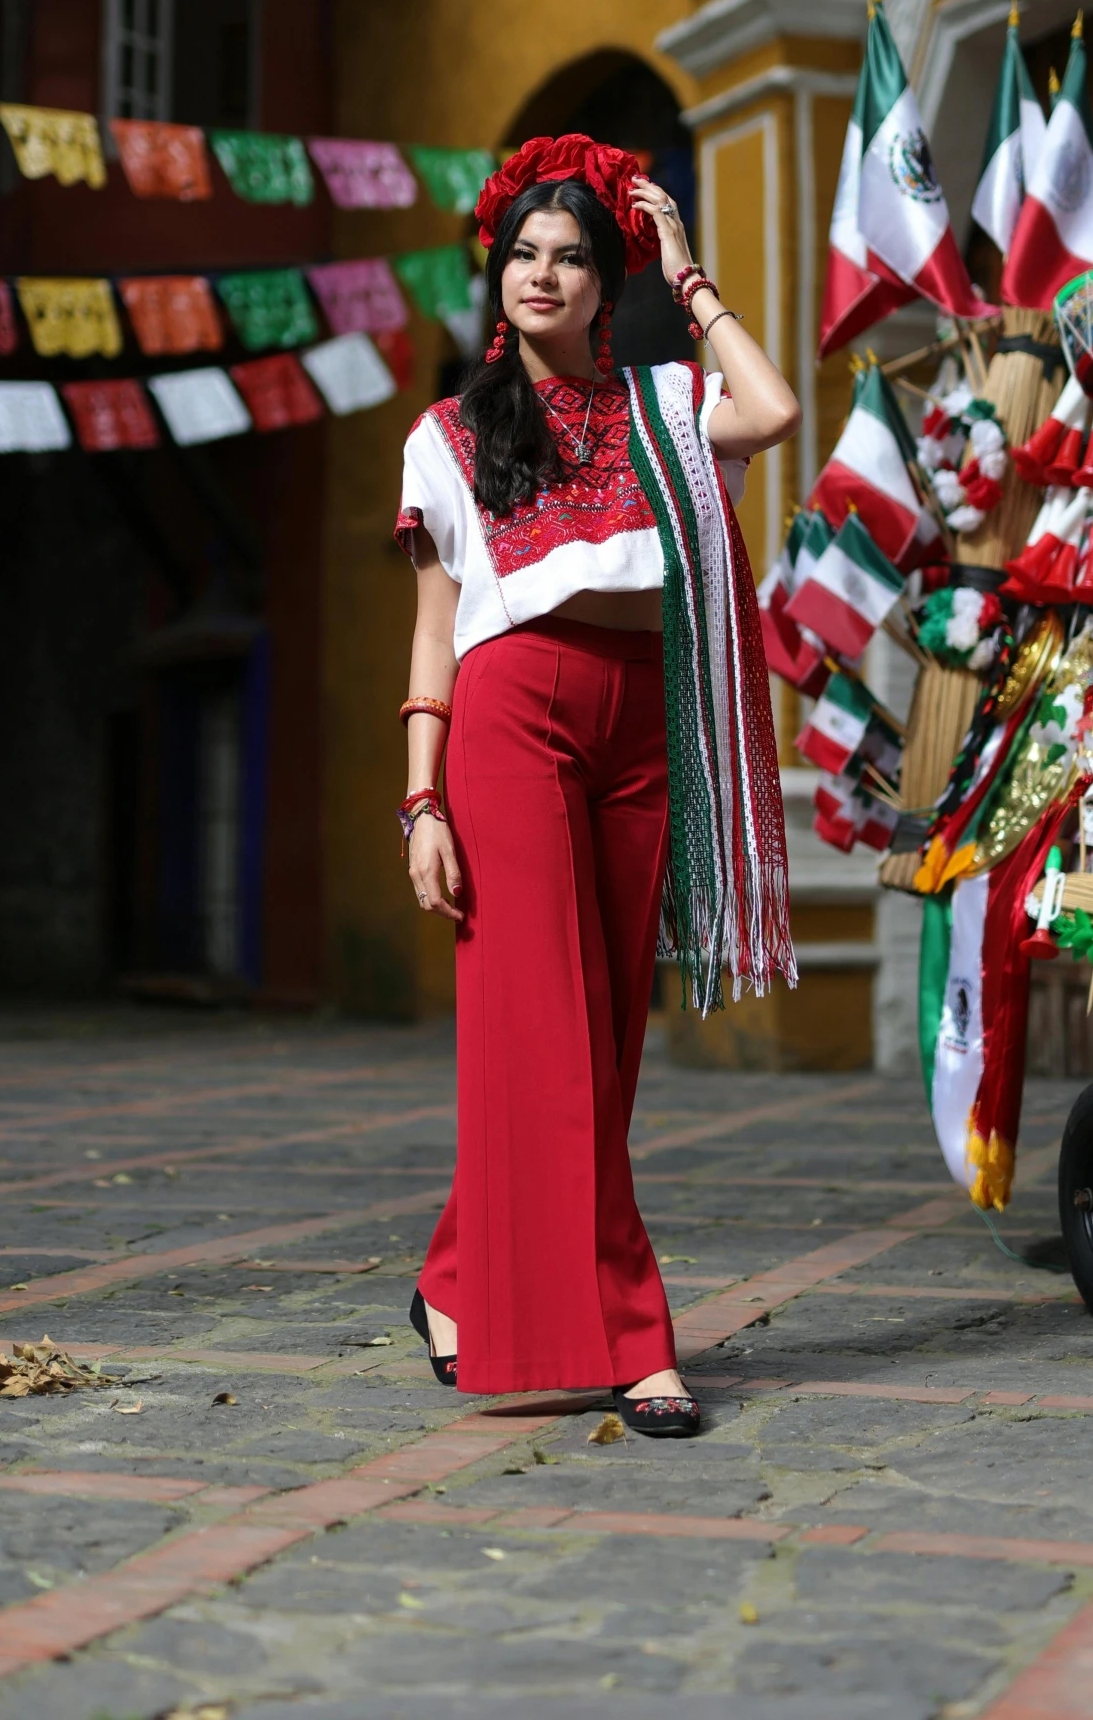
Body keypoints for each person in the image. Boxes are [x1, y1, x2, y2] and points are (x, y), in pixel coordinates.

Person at [395, 133, 799, 1436]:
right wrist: (421, 801)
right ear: (495, 269)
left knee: (604, 1037)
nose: (543, 273)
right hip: (510, 720)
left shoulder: (665, 405)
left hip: (642, 720)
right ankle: (636, 1340)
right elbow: (430, 629)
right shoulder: (447, 434)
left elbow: (776, 407)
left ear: (602, 282)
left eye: (571, 256)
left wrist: (686, 271)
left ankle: (454, 1276)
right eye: (524, 251)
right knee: (544, 1028)